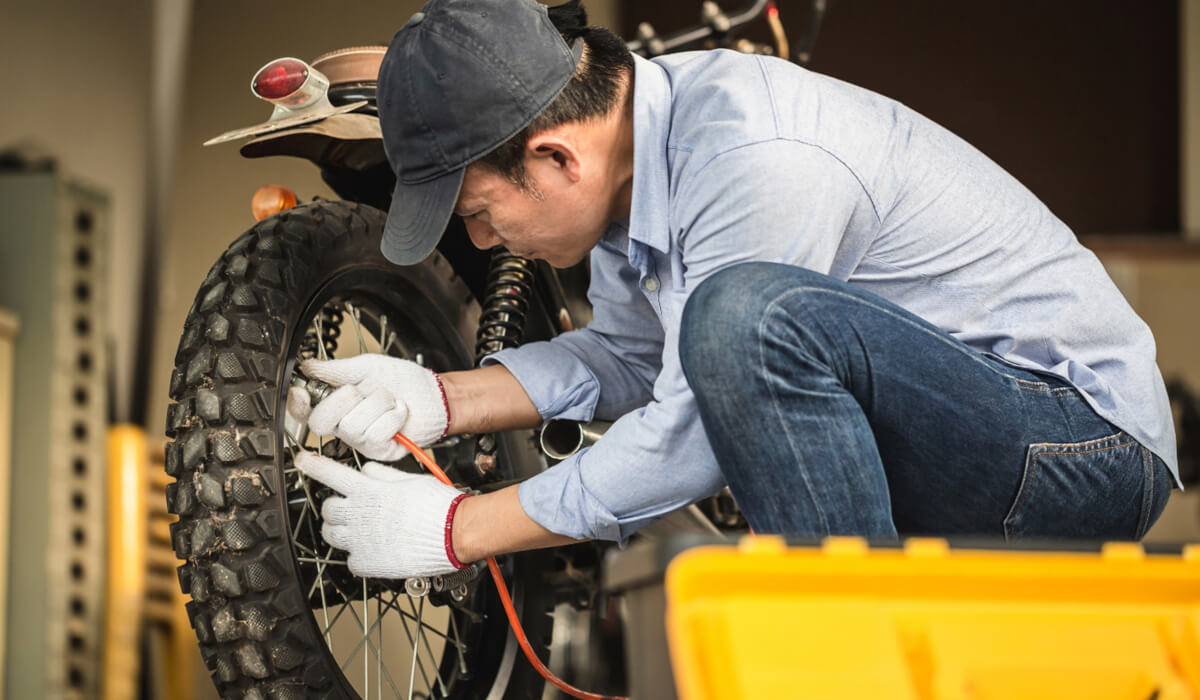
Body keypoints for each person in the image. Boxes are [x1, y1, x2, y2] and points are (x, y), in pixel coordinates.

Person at [288, 0, 1179, 580]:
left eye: (482, 212)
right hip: (975, 430)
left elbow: (690, 431)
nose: (482, 239)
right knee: (728, 326)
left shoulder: (756, 160)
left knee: (740, 320)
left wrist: (461, 529)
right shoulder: (640, 160)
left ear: (558, 156)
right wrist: (442, 400)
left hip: (1080, 444)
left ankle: (846, 660)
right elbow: (630, 355)